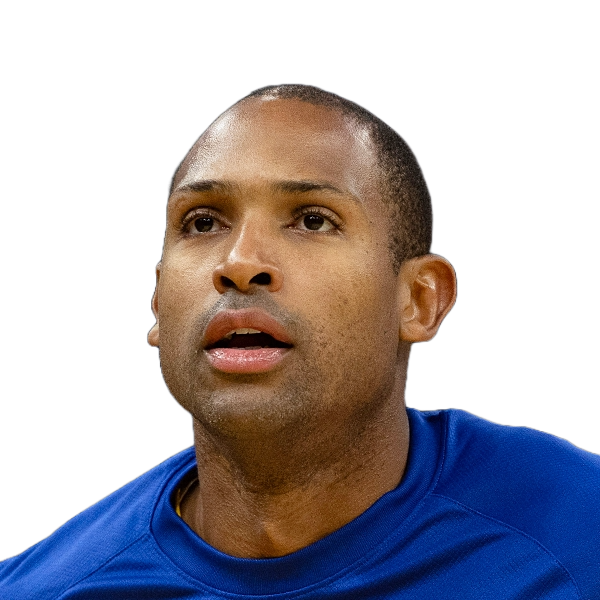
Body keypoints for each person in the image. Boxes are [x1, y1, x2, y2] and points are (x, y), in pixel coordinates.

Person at [1, 83, 598, 599]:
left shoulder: (580, 530)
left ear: (419, 300)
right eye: (202, 222)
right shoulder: (42, 588)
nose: (240, 263)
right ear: (158, 303)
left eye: (312, 219)